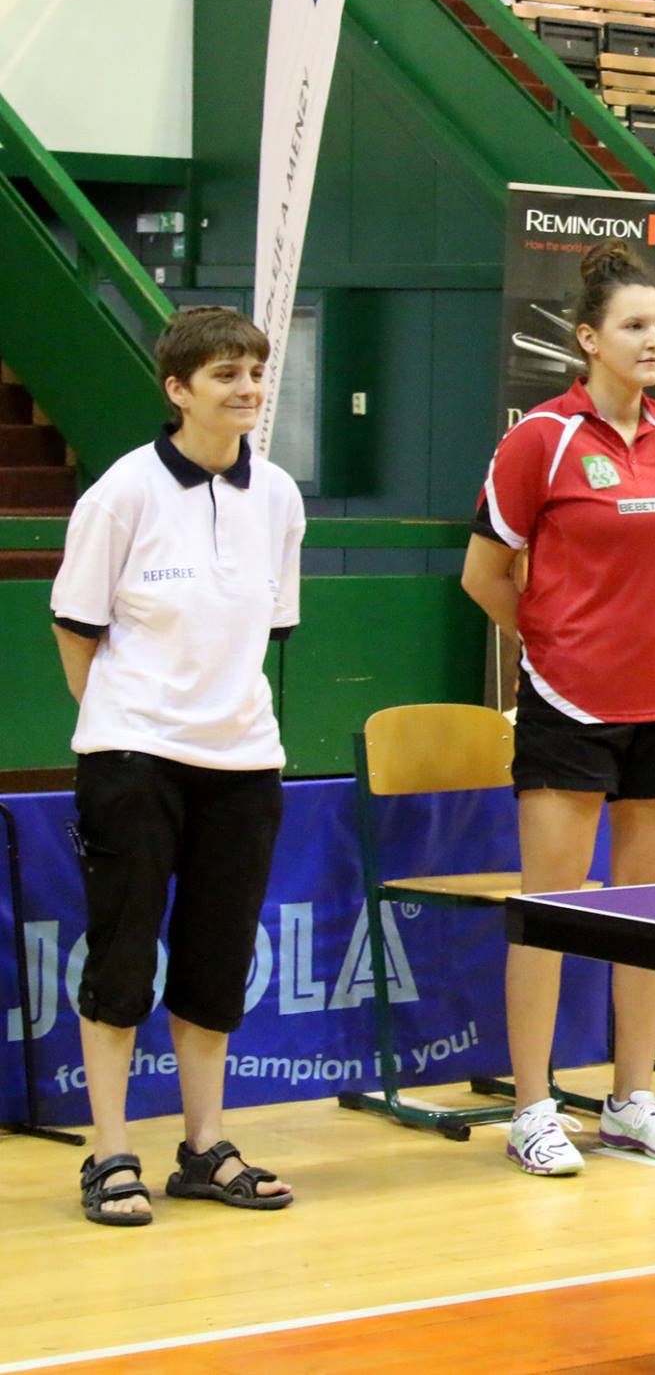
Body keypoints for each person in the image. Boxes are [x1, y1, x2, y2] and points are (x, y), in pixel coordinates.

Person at [50, 306, 303, 1224]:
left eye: (255, 372)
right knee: (121, 963)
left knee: (216, 961)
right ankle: (110, 1151)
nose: (248, 389)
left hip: (244, 763)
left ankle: (204, 1148)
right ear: (177, 389)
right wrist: (123, 727)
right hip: (133, 760)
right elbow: (76, 628)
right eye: (226, 374)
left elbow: (271, 628)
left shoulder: (279, 496)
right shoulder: (121, 493)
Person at [463, 243, 655, 1175]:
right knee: (551, 912)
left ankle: (631, 1098)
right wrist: (552, 641)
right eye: (634, 325)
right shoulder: (542, 440)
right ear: (588, 339)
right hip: (569, 706)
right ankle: (532, 1106)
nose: (653, 340)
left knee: (648, 916)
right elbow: (484, 573)